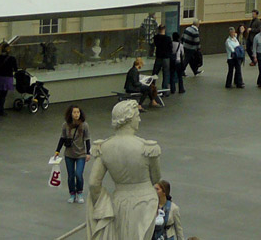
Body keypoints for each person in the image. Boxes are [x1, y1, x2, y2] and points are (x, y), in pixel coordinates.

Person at [84, 100, 161, 240]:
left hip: (119, 201)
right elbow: (156, 178)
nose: (139, 119)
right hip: (145, 202)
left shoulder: (104, 147)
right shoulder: (147, 147)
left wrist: (102, 203)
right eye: (137, 115)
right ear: (129, 118)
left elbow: (93, 183)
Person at [55, 105, 91, 204]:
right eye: (74, 112)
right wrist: (57, 151)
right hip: (69, 154)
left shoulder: (84, 125)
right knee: (71, 175)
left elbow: (87, 140)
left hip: (81, 154)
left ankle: (79, 192)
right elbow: (62, 138)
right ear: (70, 114)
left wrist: (88, 153)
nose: (76, 114)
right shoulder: (65, 125)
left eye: (78, 112)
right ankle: (72, 194)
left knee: (78, 174)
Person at [152, 24, 175, 95]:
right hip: (166, 58)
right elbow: (170, 48)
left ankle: (151, 87)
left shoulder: (156, 37)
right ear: (164, 29)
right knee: (166, 74)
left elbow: (155, 45)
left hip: (158, 57)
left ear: (158, 29)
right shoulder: (168, 38)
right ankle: (165, 90)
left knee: (155, 73)